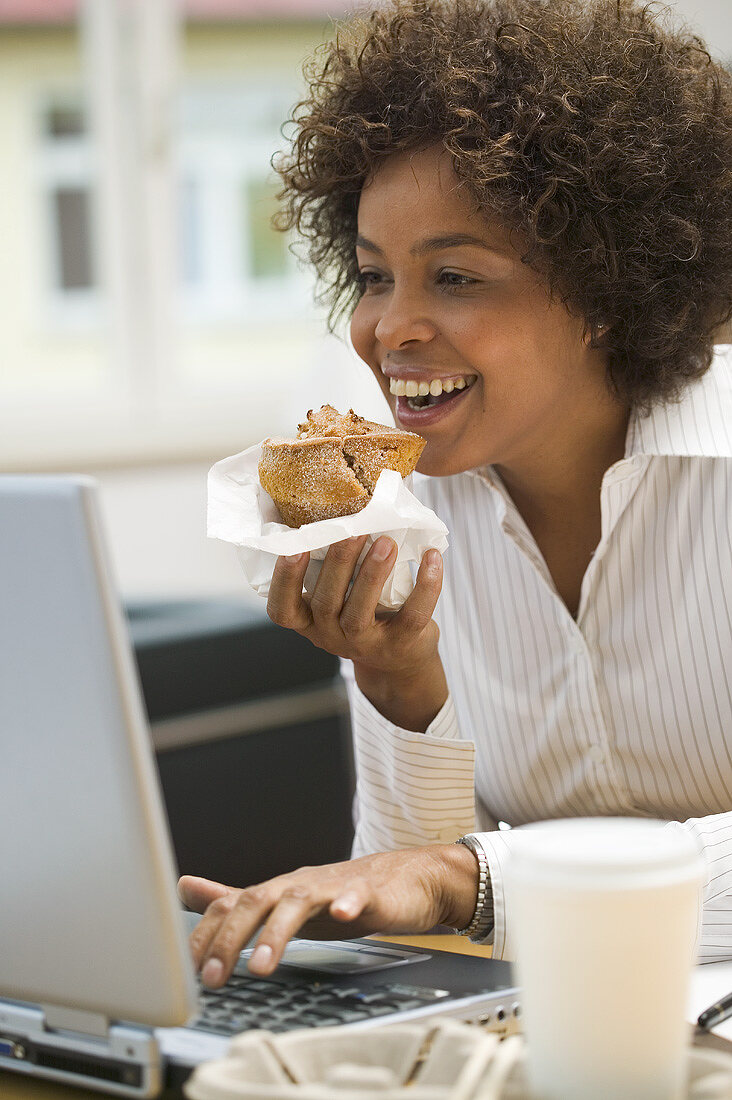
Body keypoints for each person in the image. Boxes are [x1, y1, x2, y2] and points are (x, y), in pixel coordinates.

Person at [179, 0, 732, 989]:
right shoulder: (398, 521)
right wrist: (402, 694)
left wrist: (467, 876)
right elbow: (420, 924)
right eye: (372, 275)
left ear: (607, 289)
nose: (389, 329)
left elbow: (453, 887)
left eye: (456, 276)